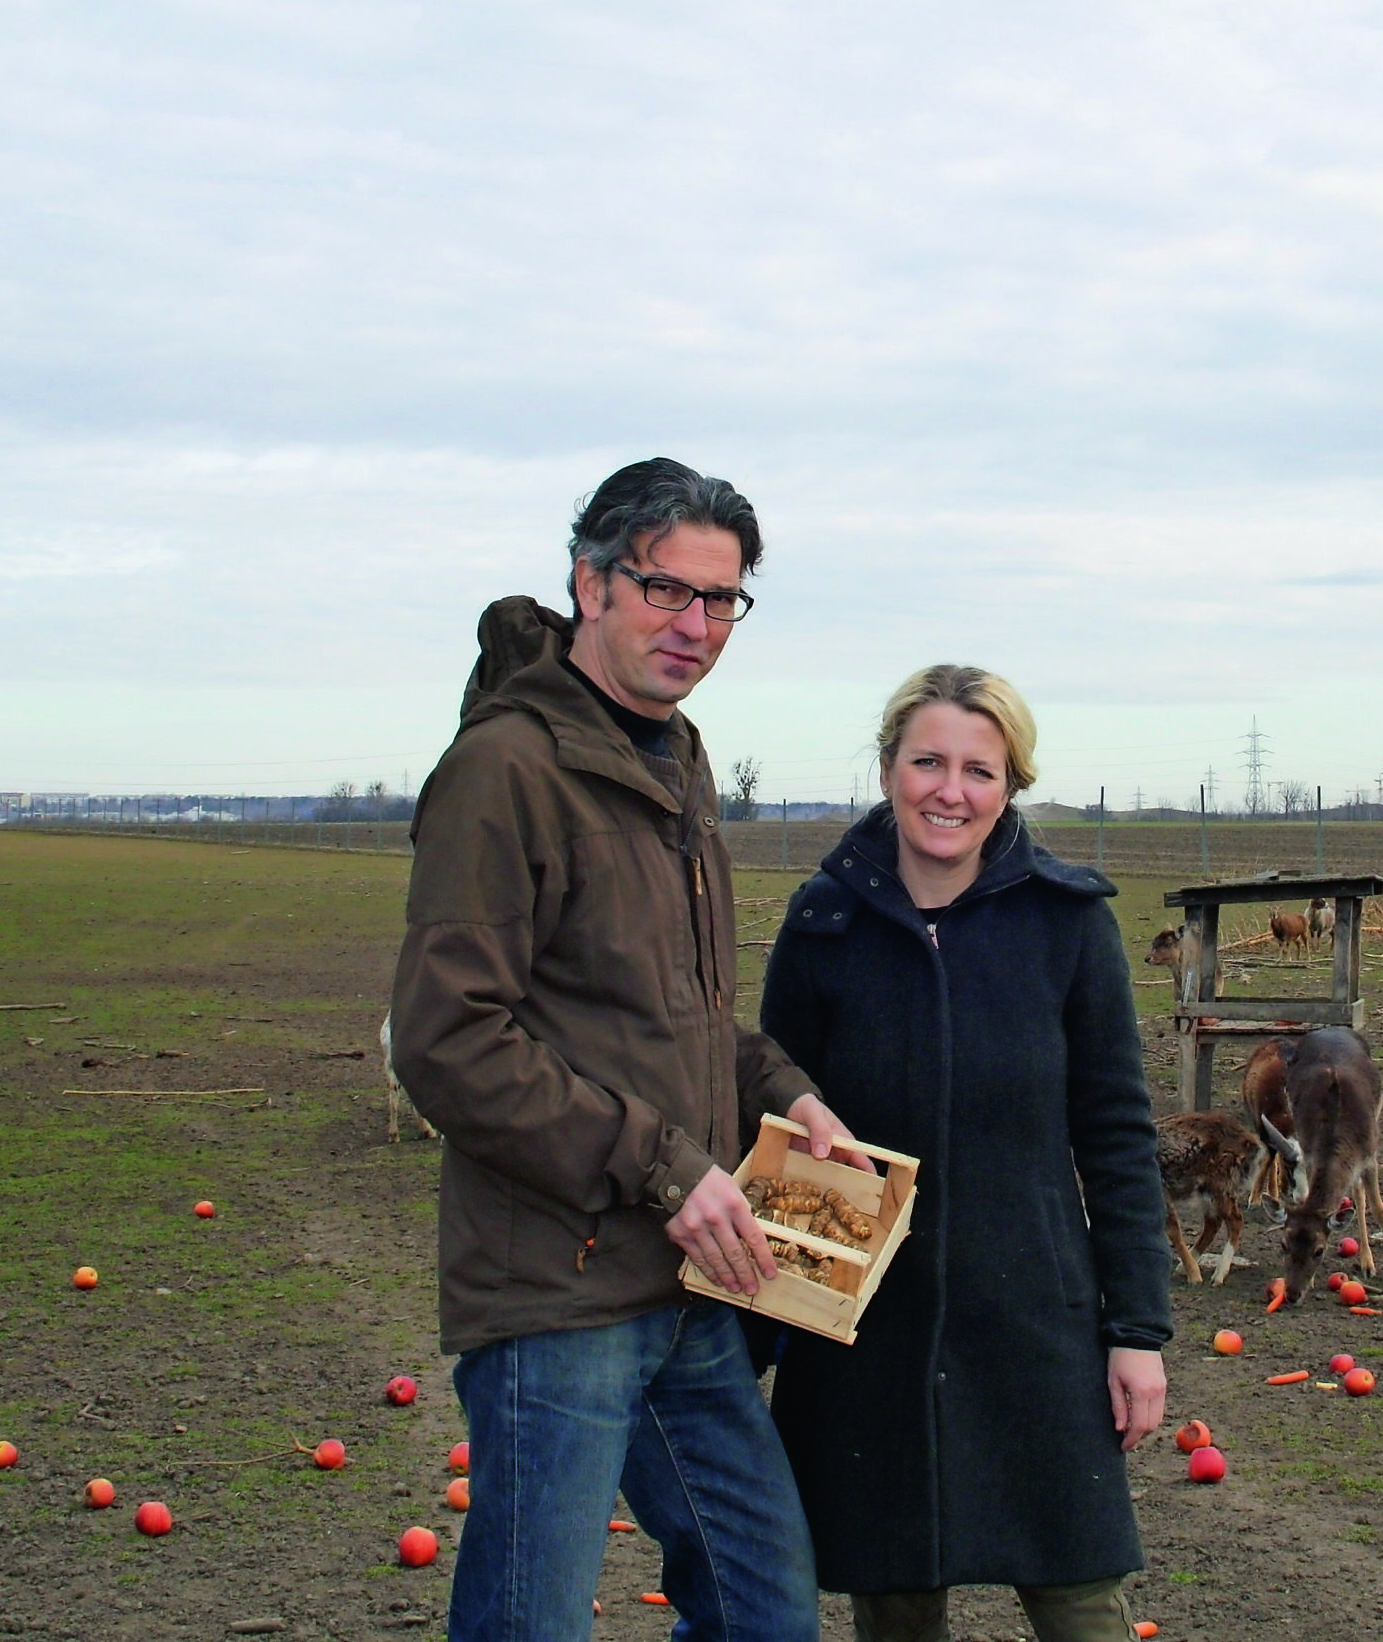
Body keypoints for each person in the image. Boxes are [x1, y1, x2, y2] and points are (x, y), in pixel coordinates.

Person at [390, 457, 858, 1642]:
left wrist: (788, 1096)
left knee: (765, 1609)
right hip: (559, 1294)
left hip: (687, 1285)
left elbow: (674, 1016)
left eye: (721, 600)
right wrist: (665, 1166)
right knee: (531, 1623)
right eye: (665, 589)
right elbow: (448, 1039)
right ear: (589, 583)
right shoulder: (505, 770)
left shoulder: (673, 756)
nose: (695, 625)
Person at [757, 665, 1175, 1641]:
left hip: (1036, 1328)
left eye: (979, 770)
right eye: (928, 763)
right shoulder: (823, 925)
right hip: (869, 1340)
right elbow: (773, 1132)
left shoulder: (1069, 926)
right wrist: (755, 1342)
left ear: (1010, 784)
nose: (951, 791)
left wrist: (1136, 1330)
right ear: (887, 770)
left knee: (1081, 1604)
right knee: (895, 1605)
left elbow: (1117, 1136)